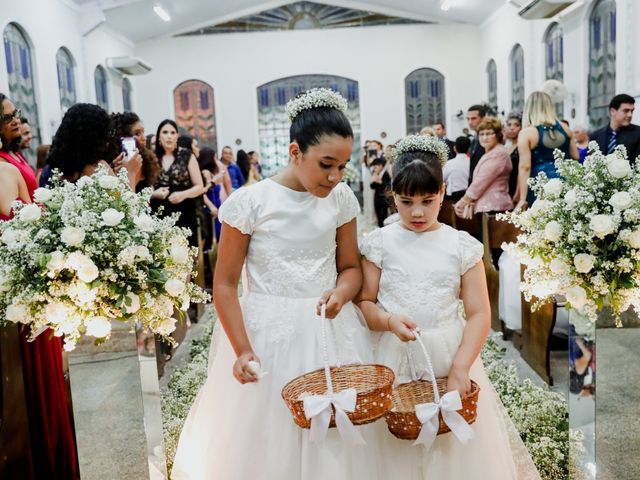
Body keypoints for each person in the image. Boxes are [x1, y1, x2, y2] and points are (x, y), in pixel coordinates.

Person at [171, 88, 376, 480]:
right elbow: (227, 284)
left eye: (343, 166)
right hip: (267, 334)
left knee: (333, 439)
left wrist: (342, 292)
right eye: (326, 164)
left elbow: (350, 267)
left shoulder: (341, 199)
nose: (335, 177)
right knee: (267, 439)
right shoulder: (252, 203)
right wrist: (243, 349)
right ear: (296, 152)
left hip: (328, 328)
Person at [357, 134, 541, 479]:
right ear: (391, 194)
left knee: (451, 447)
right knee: (396, 443)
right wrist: (387, 319)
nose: (416, 211)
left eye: (428, 200)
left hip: (449, 354)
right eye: (406, 200)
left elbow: (479, 313)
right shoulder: (379, 243)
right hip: (393, 354)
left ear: (443, 192)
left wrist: (461, 367)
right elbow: (365, 303)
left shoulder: (460, 246)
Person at [0, 93, 79, 479]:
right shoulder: (2, 165)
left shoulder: (14, 157)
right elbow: (11, 221)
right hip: (26, 283)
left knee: (54, 374)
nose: (16, 121)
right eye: (7, 117)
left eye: (16, 114)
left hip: (40, 277)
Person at [515, 91, 578, 208]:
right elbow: (576, 156)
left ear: (529, 109)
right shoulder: (566, 129)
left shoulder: (527, 133)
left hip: (540, 183)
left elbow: (525, 167)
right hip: (566, 181)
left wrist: (522, 199)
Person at [152, 119, 205, 247]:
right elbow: (144, 189)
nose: (169, 136)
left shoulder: (187, 155)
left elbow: (200, 186)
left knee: (186, 257)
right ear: (159, 137)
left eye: (173, 132)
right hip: (159, 213)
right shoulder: (152, 157)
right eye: (165, 132)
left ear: (177, 136)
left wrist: (183, 194)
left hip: (184, 212)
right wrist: (154, 194)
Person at [454, 117, 513, 218]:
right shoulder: (490, 153)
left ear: (497, 135)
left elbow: (480, 182)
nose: (485, 137)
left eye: (489, 133)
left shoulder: (498, 154)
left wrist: (463, 201)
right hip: (488, 207)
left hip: (495, 208)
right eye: (481, 134)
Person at [590, 93, 640, 164]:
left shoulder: (638, 133)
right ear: (613, 111)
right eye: (626, 111)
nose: (630, 115)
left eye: (632, 111)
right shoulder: (595, 136)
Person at [443, 136, 470, 201]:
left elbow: (442, 178)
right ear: (469, 149)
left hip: (453, 195)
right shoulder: (471, 162)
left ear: (454, 148)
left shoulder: (449, 163)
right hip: (468, 194)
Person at [466, 104, 487, 183]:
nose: (470, 122)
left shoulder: (488, 138)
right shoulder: (474, 139)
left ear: (483, 118)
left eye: (473, 118)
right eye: (468, 119)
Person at [504, 113, 522, 198]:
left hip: (517, 187)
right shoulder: (507, 147)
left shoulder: (522, 146)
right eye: (509, 125)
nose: (512, 128)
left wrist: (518, 193)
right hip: (506, 187)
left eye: (516, 125)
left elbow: (522, 170)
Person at [370, 156, 391, 227]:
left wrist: (380, 181)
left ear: (381, 166)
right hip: (377, 198)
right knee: (378, 215)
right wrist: (373, 181)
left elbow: (388, 186)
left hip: (384, 199)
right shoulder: (376, 173)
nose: (374, 169)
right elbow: (372, 187)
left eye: (376, 167)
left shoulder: (386, 174)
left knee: (383, 217)